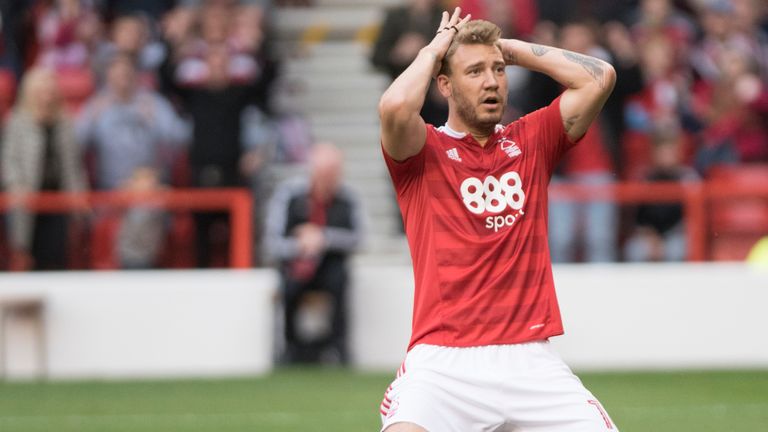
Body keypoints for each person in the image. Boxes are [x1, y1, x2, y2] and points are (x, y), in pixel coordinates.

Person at [377, 8, 616, 432]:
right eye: (474, 72)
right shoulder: (422, 151)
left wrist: (510, 50)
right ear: (444, 85)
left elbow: (599, 76)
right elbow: (395, 106)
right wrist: (436, 50)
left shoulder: (532, 140)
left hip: (530, 360)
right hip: (444, 362)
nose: (491, 81)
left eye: (498, 71)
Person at [264, 142, 364, 365]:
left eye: (333, 174)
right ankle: (291, 349)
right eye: (324, 174)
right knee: (288, 286)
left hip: (330, 266)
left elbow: (359, 238)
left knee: (339, 278)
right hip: (295, 266)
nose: (329, 180)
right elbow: (272, 243)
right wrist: (300, 245)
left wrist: (324, 238)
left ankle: (337, 349)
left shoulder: (347, 198)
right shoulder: (289, 196)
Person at [1, 67, 87, 271]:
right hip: (27, 199)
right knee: (26, 251)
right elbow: (9, 161)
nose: (46, 97)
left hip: (58, 200)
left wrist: (79, 194)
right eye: (41, 92)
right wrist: (16, 187)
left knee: (57, 254)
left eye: (50, 92)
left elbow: (74, 165)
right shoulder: (17, 122)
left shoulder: (65, 124)